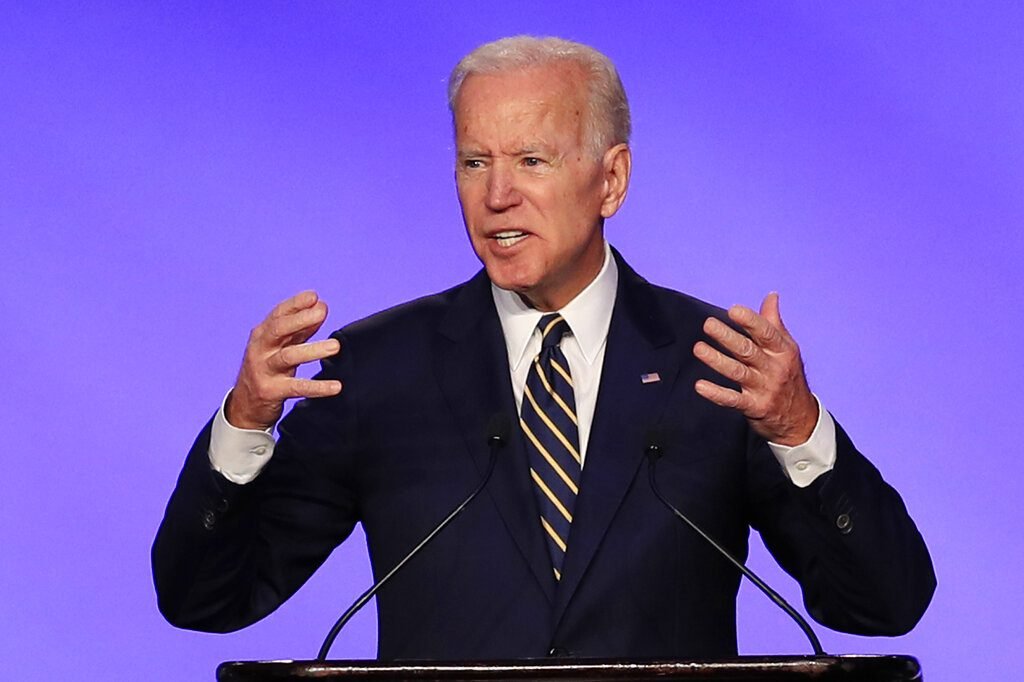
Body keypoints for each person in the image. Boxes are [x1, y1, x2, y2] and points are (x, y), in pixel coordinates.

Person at [153, 36, 934, 659]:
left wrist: (800, 433)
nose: (497, 195)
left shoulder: (719, 370)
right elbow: (207, 601)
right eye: (473, 161)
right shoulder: (378, 371)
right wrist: (245, 424)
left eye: (531, 160)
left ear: (611, 180)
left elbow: (885, 606)